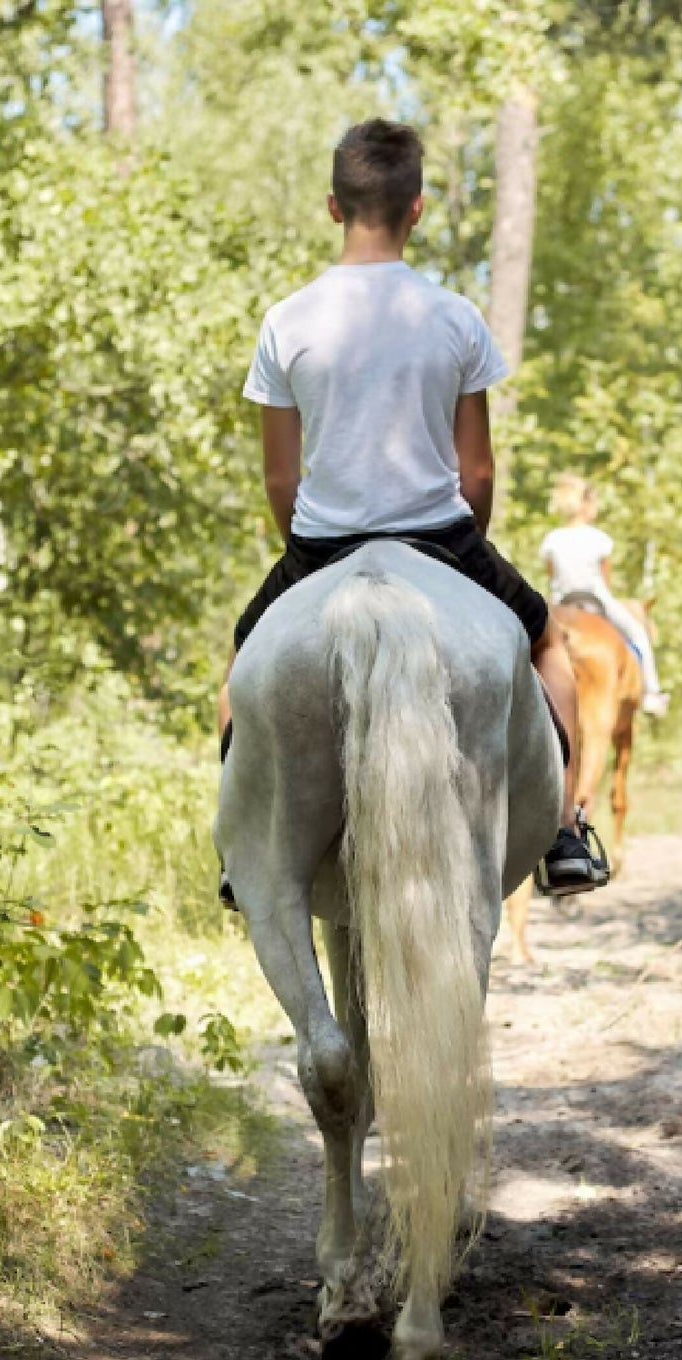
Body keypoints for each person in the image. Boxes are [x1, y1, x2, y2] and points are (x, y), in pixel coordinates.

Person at [216, 118, 604, 905]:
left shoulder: (287, 320)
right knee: (549, 646)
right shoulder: (454, 316)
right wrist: (461, 556)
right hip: (443, 539)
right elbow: (478, 469)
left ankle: (241, 850)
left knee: (241, 666)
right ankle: (564, 831)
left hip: (321, 547)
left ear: (333, 207)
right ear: (416, 209)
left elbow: (279, 476)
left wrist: (307, 550)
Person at [539, 475, 669, 717]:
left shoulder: (552, 540)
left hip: (561, 603)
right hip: (596, 600)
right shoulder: (599, 539)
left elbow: (552, 574)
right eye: (594, 503)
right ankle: (651, 693)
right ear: (585, 505)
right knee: (638, 634)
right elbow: (604, 581)